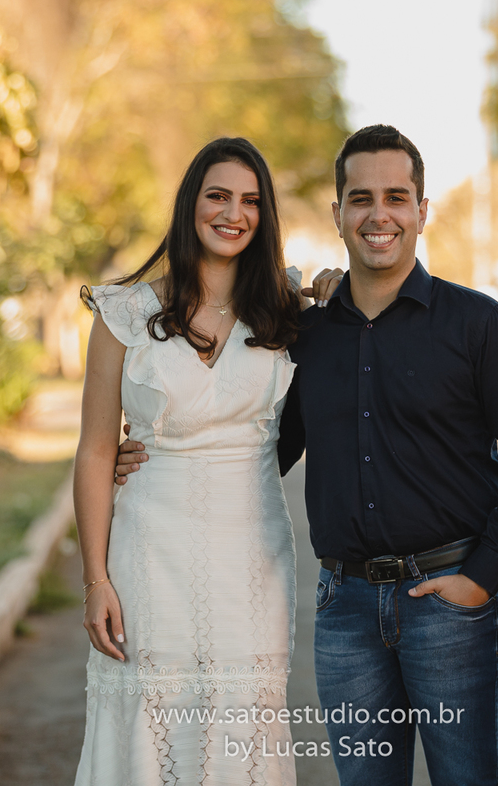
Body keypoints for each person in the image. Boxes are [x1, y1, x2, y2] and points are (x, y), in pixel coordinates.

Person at [118, 125, 498, 785]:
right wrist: (154, 461)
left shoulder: (479, 325)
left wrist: (480, 579)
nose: (379, 215)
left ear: (421, 211)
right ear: (337, 214)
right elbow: (259, 448)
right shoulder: (306, 334)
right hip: (345, 611)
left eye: (396, 197)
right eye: (361, 199)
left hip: (449, 603)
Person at [75, 137, 327, 784]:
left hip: (252, 554)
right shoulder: (125, 313)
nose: (233, 213)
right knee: (149, 715)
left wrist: (338, 287)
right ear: (190, 204)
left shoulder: (289, 309)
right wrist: (96, 579)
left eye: (250, 201)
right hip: (148, 550)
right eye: (218, 196)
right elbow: (97, 450)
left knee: (244, 723)